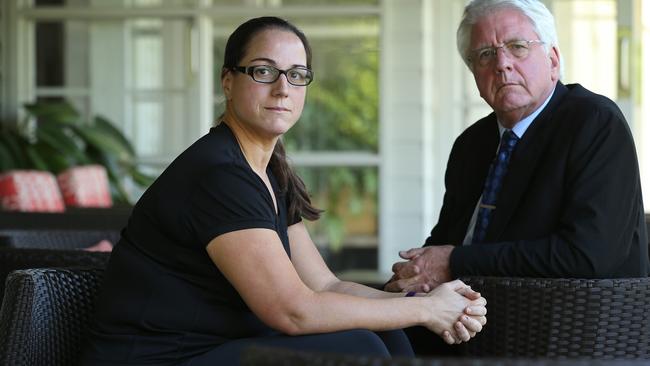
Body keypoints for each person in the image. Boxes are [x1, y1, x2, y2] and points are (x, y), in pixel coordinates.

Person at [81, 16, 487, 366]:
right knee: (360, 345)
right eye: (263, 71)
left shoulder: (268, 172)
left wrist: (429, 304)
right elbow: (292, 311)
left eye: (296, 75)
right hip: (158, 358)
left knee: (388, 336)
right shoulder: (219, 175)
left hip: (217, 346)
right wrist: (424, 308)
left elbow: (324, 286)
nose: (282, 88)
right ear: (227, 81)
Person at [386, 0, 648, 297]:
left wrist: (456, 262)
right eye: (485, 54)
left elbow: (589, 255)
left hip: (566, 324)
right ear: (474, 72)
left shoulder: (595, 123)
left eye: (517, 46)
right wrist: (417, 270)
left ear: (552, 60)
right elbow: (448, 238)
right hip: (460, 313)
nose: (502, 64)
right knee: (369, 329)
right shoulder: (471, 143)